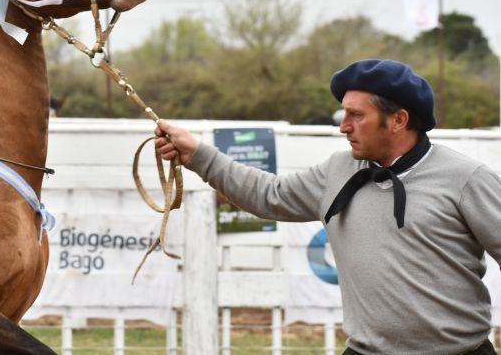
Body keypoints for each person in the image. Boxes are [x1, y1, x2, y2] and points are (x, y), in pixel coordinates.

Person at [154, 59, 501, 355]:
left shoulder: (466, 178)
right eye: (343, 113)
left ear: (398, 120)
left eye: (355, 115)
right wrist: (198, 155)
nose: (343, 126)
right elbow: (268, 194)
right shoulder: (338, 170)